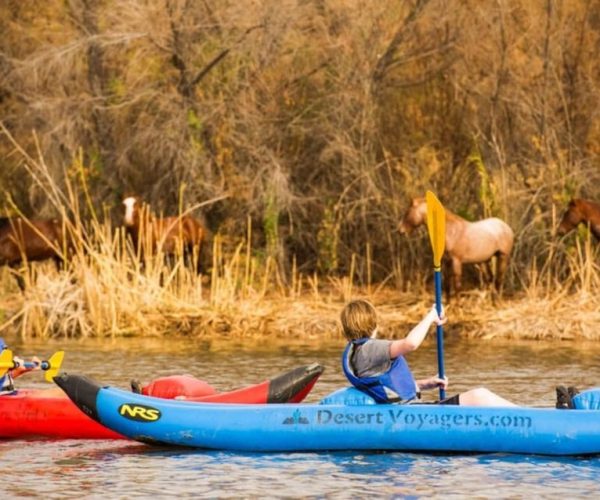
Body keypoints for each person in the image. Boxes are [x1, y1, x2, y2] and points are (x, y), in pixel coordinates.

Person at [340, 299, 517, 406]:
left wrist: (425, 384)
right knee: (480, 396)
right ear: (373, 324)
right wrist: (431, 316)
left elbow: (388, 389)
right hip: (412, 413)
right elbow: (410, 344)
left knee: (479, 397)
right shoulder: (369, 349)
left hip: (408, 410)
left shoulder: (358, 352)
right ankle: (534, 420)